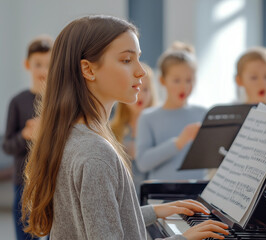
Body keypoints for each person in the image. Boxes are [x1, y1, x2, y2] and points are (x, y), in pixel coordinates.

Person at [20, 15, 228, 240]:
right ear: (88, 70)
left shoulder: (72, 136)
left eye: (138, 59)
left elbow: (98, 218)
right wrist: (183, 238)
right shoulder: (95, 154)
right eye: (127, 61)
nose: (141, 71)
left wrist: (157, 211)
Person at [2, 35, 53, 240]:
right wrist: (27, 135)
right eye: (38, 64)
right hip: (23, 183)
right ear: (27, 64)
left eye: (48, 65)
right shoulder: (17, 102)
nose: (43, 70)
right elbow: (6, 146)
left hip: (53, 181)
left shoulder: (58, 103)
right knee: (24, 235)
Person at [135, 42, 207, 181]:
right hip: (162, 196)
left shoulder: (202, 114)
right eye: (176, 80)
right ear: (162, 80)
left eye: (189, 80)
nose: (184, 87)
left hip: (197, 195)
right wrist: (179, 142)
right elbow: (143, 163)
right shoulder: (148, 117)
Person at [111, 62, 157, 196]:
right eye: (136, 87)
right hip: (124, 195)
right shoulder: (113, 128)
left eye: (146, 89)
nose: (140, 95)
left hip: (150, 195)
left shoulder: (157, 127)